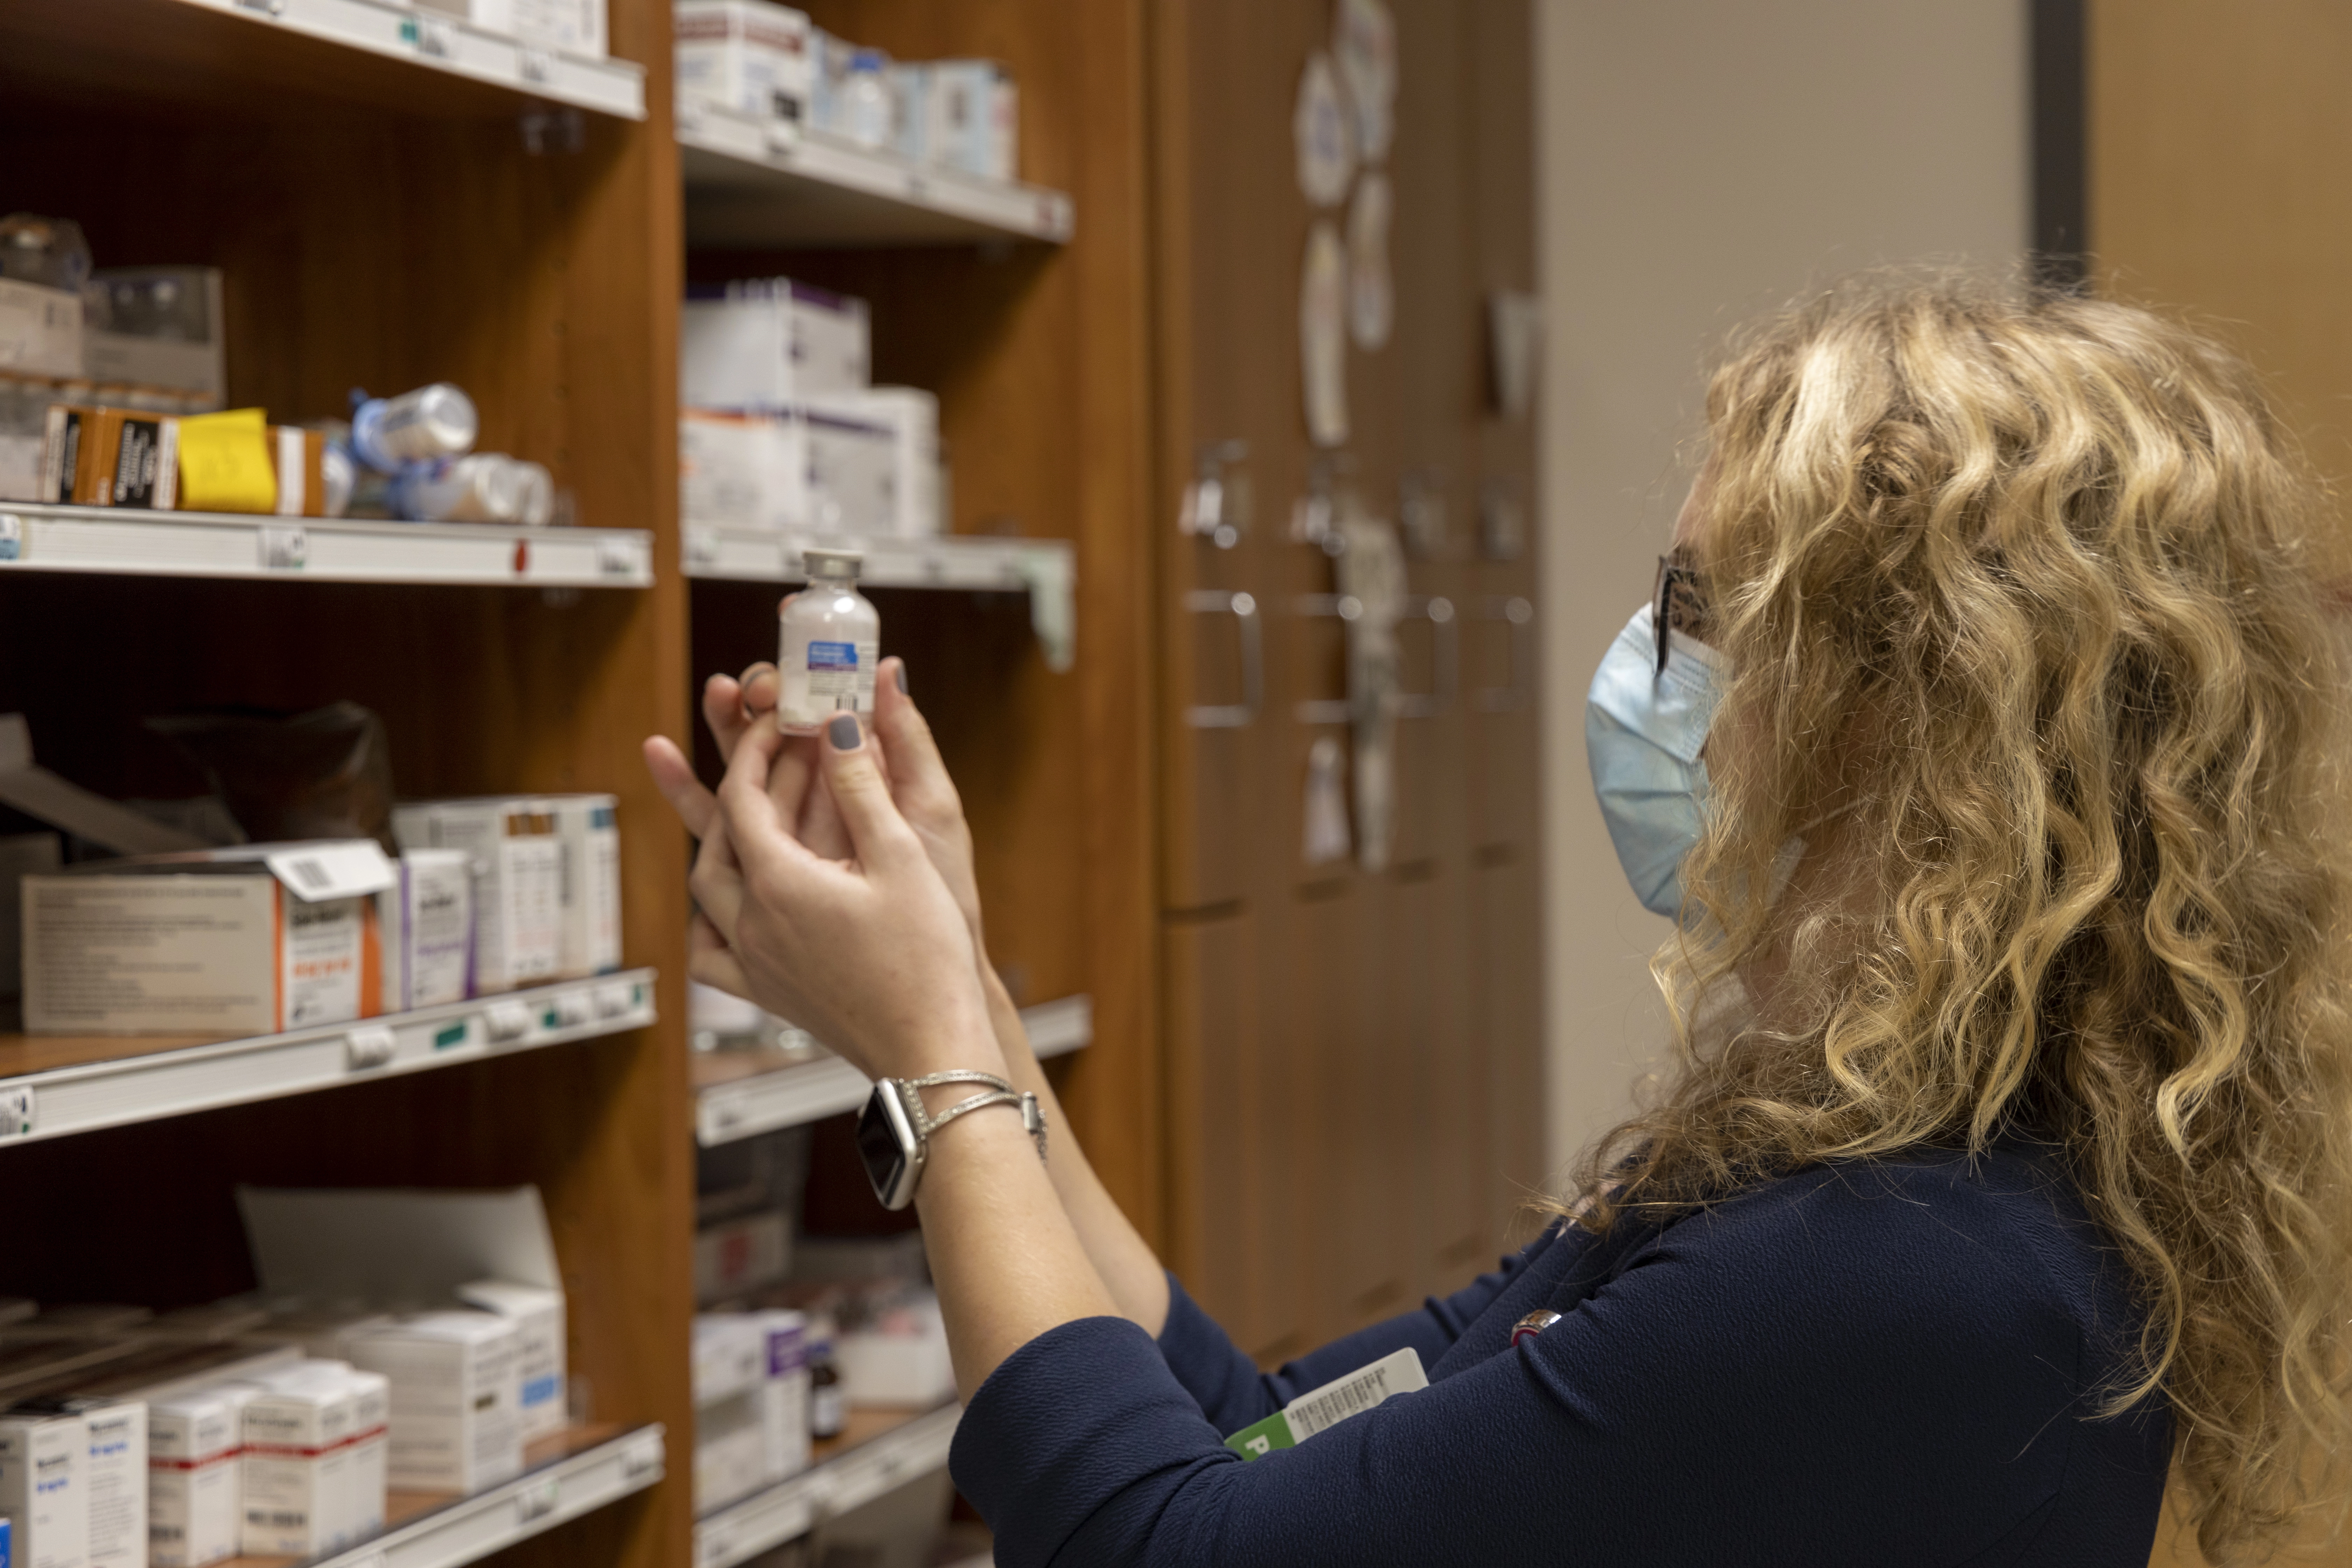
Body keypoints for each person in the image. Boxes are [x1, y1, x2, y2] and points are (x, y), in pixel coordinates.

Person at [645, 276, 2352, 1567]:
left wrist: (936, 1062)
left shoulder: (1912, 1274)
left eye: (1698, 611)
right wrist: (966, 984)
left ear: (1916, 716)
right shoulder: (1838, 1162)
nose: (1644, 668)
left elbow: (1151, 1549)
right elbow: (1257, 1444)